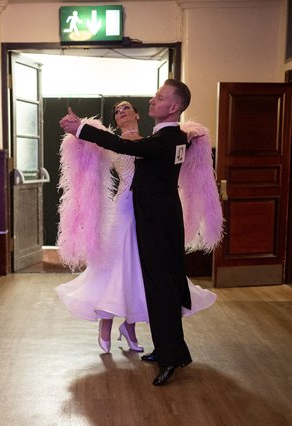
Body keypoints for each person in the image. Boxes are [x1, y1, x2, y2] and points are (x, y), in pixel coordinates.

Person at [60, 79, 196, 386]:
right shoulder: (178, 138)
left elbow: (123, 146)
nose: (152, 100)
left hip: (157, 224)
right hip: (156, 220)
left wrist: (80, 128)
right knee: (160, 288)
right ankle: (167, 348)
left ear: (173, 107)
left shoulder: (164, 141)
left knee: (163, 290)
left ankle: (171, 357)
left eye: (159, 97)